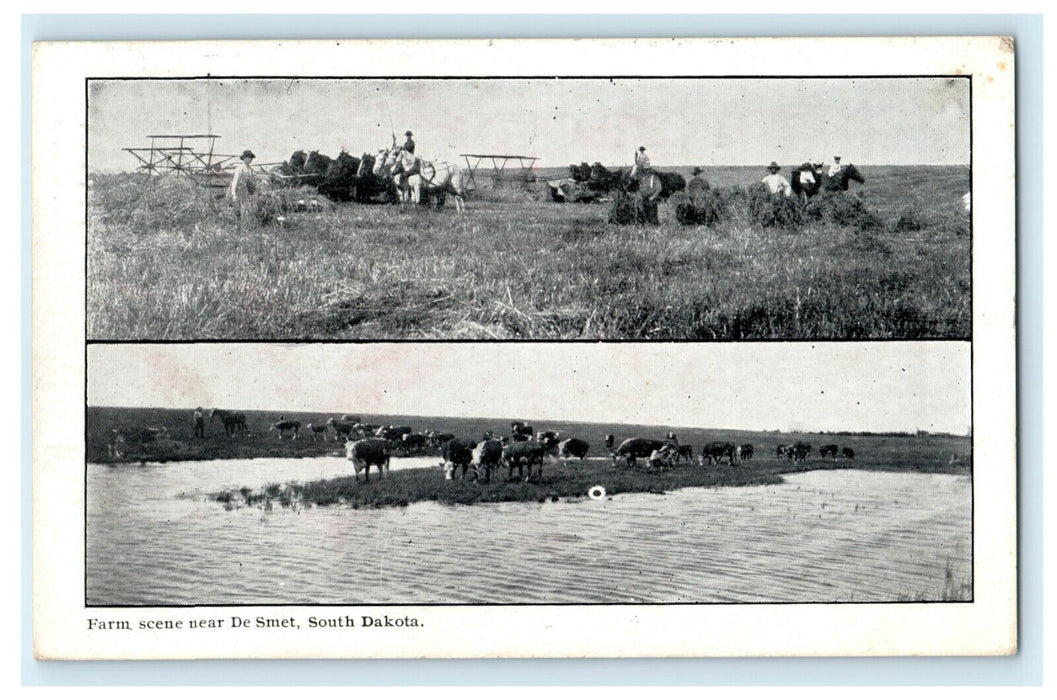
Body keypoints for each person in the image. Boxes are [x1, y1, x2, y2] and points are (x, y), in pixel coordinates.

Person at [229, 149, 257, 222]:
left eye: (251, 157)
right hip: (240, 192)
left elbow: (252, 183)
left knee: (247, 211)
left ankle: (245, 225)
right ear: (244, 158)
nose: (250, 159)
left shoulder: (251, 170)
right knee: (239, 212)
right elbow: (235, 181)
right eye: (248, 157)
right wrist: (233, 194)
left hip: (248, 193)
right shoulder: (240, 168)